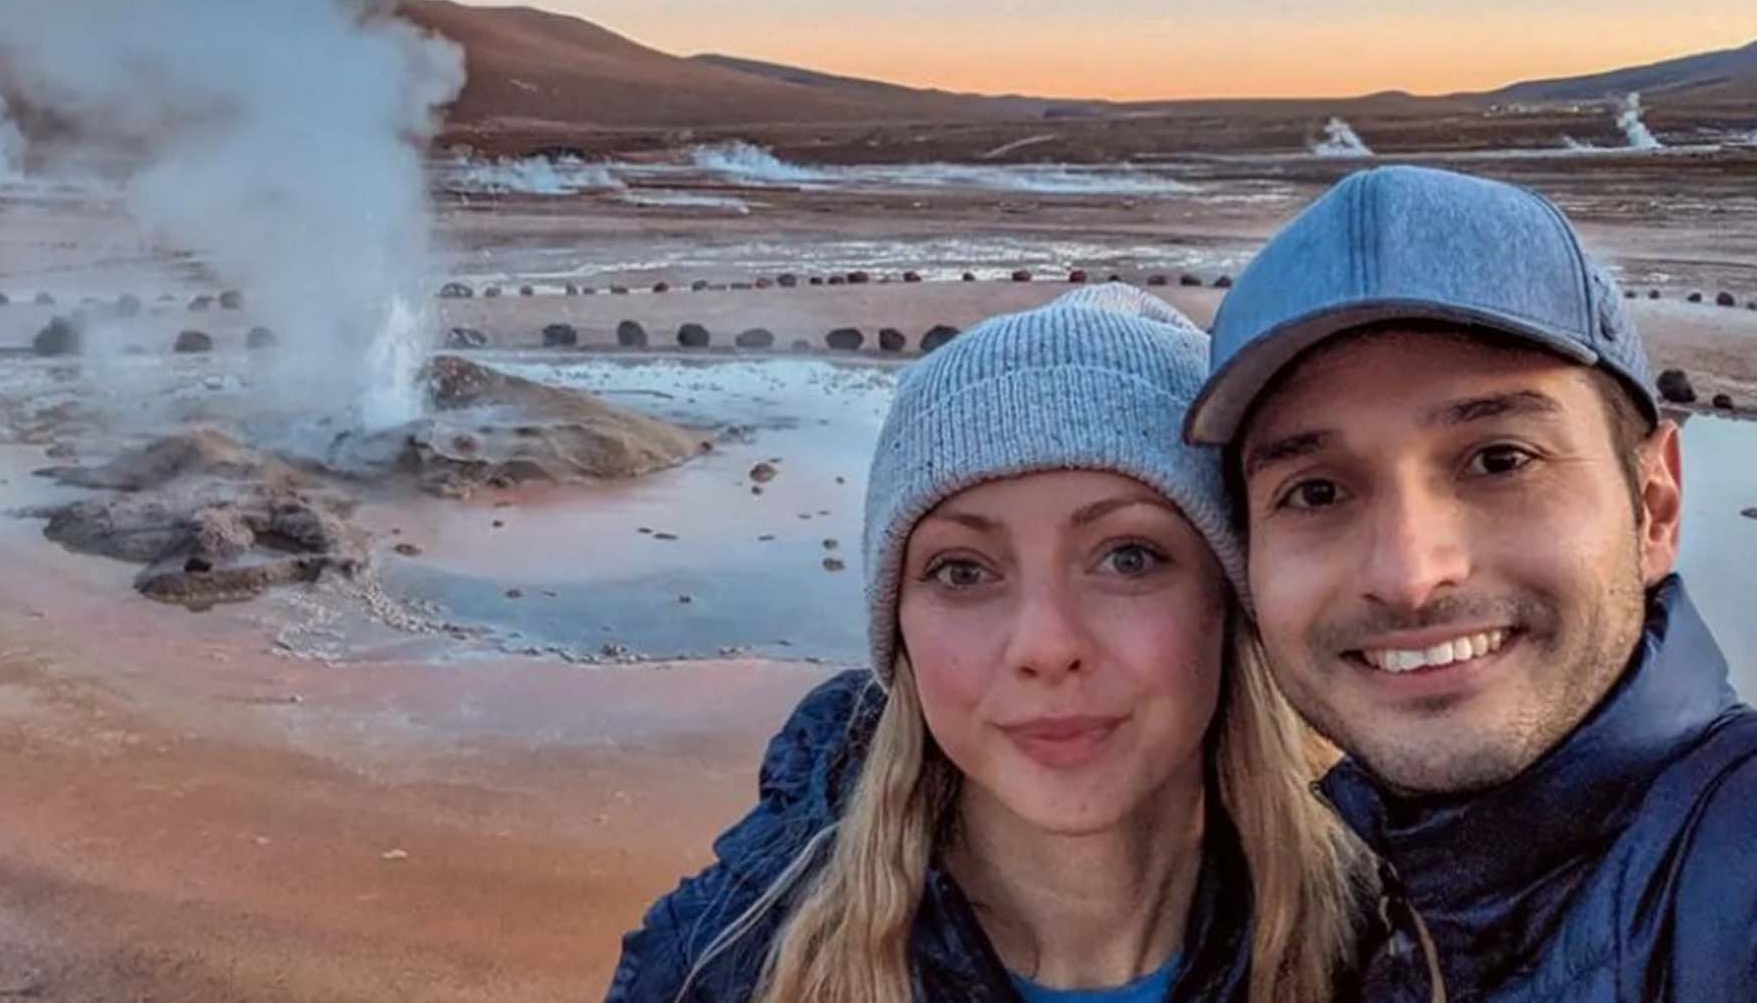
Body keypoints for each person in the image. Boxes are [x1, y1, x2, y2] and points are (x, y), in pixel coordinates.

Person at [607, 286, 1369, 1003]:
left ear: (1226, 600)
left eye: (1127, 556)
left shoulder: (1398, 949)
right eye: (962, 570)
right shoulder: (723, 964)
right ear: (897, 627)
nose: (1044, 646)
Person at [1186, 165, 1757, 1000]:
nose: (1410, 576)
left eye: (1499, 461)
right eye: (1315, 492)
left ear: (1654, 508)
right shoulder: (1320, 923)